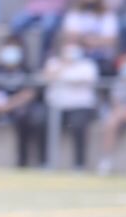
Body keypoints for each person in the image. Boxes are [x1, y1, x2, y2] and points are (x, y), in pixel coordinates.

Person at [0, 40, 43, 167]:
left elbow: (29, 92)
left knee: (25, 119)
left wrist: (10, 105)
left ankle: (22, 161)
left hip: (16, 106)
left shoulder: (26, 70)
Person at [42, 38, 99, 169]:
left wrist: (64, 76)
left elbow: (84, 81)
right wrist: (64, 65)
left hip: (80, 106)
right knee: (40, 122)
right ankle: (45, 162)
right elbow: (47, 77)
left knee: (78, 125)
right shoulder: (54, 62)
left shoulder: (87, 65)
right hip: (56, 106)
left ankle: (79, 164)